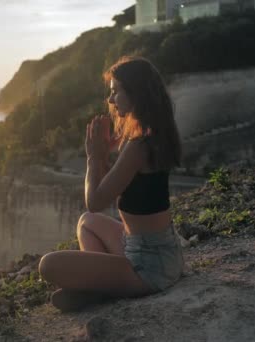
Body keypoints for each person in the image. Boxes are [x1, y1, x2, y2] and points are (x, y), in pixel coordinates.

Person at [38, 56, 184, 312]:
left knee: (48, 266)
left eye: (116, 92)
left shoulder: (139, 146)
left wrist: (94, 157)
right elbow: (109, 193)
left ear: (136, 94)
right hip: (151, 250)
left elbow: (95, 201)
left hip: (149, 267)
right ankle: (101, 286)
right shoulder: (151, 136)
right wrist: (103, 158)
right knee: (87, 222)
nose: (110, 100)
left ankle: (101, 289)